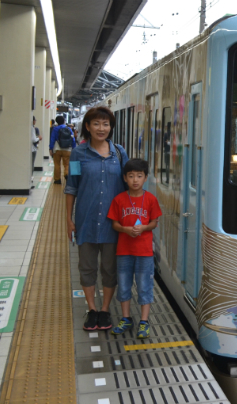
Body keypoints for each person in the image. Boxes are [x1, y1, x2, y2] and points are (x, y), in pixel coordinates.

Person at [64, 106, 129, 331]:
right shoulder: (77, 154)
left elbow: (130, 186)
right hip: (86, 221)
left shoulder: (119, 153)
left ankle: (105, 310)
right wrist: (69, 220)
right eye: (96, 124)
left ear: (111, 127)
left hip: (114, 224)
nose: (101, 128)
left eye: (106, 124)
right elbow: (71, 187)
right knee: (87, 267)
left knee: (110, 269)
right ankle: (92, 309)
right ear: (88, 127)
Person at [107, 159, 161, 338]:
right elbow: (114, 223)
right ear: (125, 178)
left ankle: (144, 321)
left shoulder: (151, 199)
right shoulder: (119, 200)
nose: (135, 180)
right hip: (124, 251)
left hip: (144, 252)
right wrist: (125, 229)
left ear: (146, 178)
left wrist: (144, 227)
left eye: (139, 176)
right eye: (131, 176)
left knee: (145, 286)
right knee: (124, 285)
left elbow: (154, 222)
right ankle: (126, 318)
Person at [49, 115, 76, 184]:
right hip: (67, 149)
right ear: (64, 121)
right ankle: (66, 174)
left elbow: (52, 139)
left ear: (57, 122)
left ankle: (57, 180)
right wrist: (74, 148)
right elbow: (73, 139)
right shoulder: (69, 129)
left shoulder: (55, 129)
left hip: (57, 149)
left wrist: (50, 148)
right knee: (67, 164)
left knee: (57, 165)